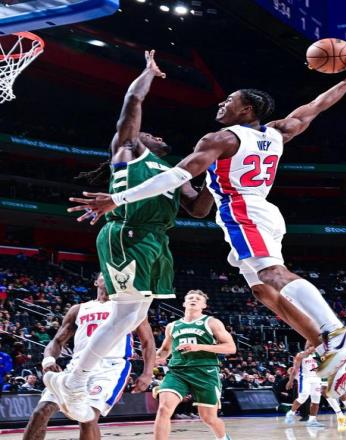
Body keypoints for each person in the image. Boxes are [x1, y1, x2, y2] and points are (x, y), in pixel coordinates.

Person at [69, 49, 346, 385]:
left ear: (247, 109)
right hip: (261, 210)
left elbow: (179, 174)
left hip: (241, 210)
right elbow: (317, 105)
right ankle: (322, 345)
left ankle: (334, 331)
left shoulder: (220, 139)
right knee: (262, 290)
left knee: (271, 273)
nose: (222, 104)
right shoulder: (279, 132)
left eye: (229, 101)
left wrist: (116, 199)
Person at [44, 50, 213, 422]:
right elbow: (133, 100)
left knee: (133, 314)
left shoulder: (175, 172)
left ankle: (74, 379)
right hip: (128, 233)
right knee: (125, 313)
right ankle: (74, 379)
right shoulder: (128, 150)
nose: (153, 134)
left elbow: (199, 210)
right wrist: (148, 73)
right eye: (149, 132)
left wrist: (217, 180)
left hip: (156, 241)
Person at [25, 273, 155, 440]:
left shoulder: (129, 309)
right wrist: (49, 359)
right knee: (40, 411)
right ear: (96, 282)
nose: (110, 277)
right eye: (105, 274)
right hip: (77, 366)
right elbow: (57, 341)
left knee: (88, 417)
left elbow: (148, 342)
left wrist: (147, 373)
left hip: (110, 367)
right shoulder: (78, 309)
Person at [154, 289, 235, 440]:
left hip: (205, 371)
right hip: (177, 371)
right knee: (164, 409)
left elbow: (231, 348)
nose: (193, 300)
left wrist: (199, 347)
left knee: (208, 418)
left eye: (198, 299)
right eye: (190, 298)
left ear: (204, 305)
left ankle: (223, 438)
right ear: (184, 303)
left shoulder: (211, 322)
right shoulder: (172, 326)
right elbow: (165, 350)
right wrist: (153, 358)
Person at [284, 345, 324, 427]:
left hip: (317, 378)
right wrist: (290, 381)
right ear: (309, 347)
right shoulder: (300, 355)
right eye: (314, 346)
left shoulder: (319, 354)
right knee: (303, 396)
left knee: (316, 399)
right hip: (305, 378)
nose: (316, 348)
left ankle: (312, 420)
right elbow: (295, 369)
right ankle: (290, 413)